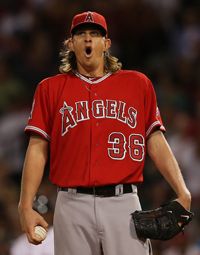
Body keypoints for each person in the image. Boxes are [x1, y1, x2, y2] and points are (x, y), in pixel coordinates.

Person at [18, 11, 191, 255]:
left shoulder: (137, 84)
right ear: (71, 43)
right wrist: (25, 205)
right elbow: (37, 148)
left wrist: (182, 191)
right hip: (71, 203)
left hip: (123, 203)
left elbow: (154, 138)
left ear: (106, 43)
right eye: (81, 35)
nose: (88, 40)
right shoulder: (49, 88)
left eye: (95, 34)